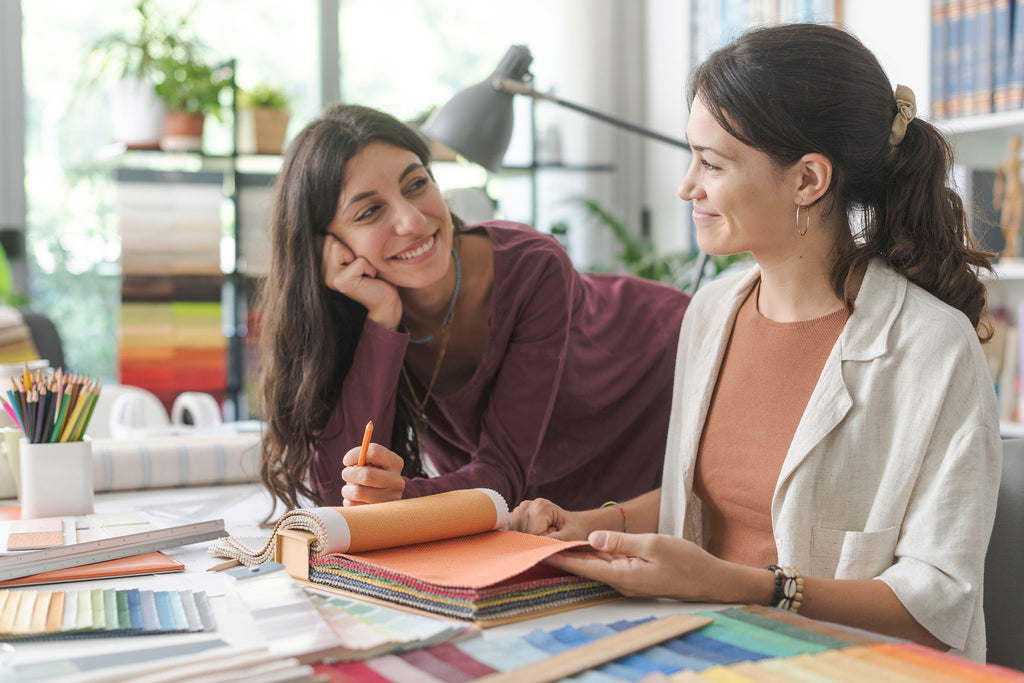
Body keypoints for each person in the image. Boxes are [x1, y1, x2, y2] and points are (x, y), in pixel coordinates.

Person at [508, 23, 1000, 661]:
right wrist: (595, 525)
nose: (688, 186)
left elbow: (939, 604)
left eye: (711, 164)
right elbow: (710, 500)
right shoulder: (713, 311)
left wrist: (747, 587)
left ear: (807, 181)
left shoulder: (934, 347)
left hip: (843, 667)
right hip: (704, 645)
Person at [257, 104, 691, 515]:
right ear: (326, 248)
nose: (412, 221)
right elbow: (341, 496)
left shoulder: (532, 267)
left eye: (417, 184)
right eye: (370, 211)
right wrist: (383, 322)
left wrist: (403, 495)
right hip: (545, 497)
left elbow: (504, 474)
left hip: (663, 378)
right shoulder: (360, 313)